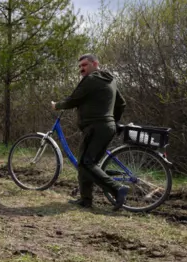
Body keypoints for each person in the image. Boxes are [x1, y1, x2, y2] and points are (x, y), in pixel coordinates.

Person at [51, 53, 129, 210]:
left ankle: (117, 189)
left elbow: (74, 99)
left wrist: (57, 105)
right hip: (106, 127)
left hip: (95, 127)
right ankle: (86, 200)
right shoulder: (110, 80)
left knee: (87, 163)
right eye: (80, 66)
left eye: (84, 65)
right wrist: (113, 120)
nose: (81, 69)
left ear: (95, 64)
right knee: (85, 163)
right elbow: (121, 103)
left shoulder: (91, 80)